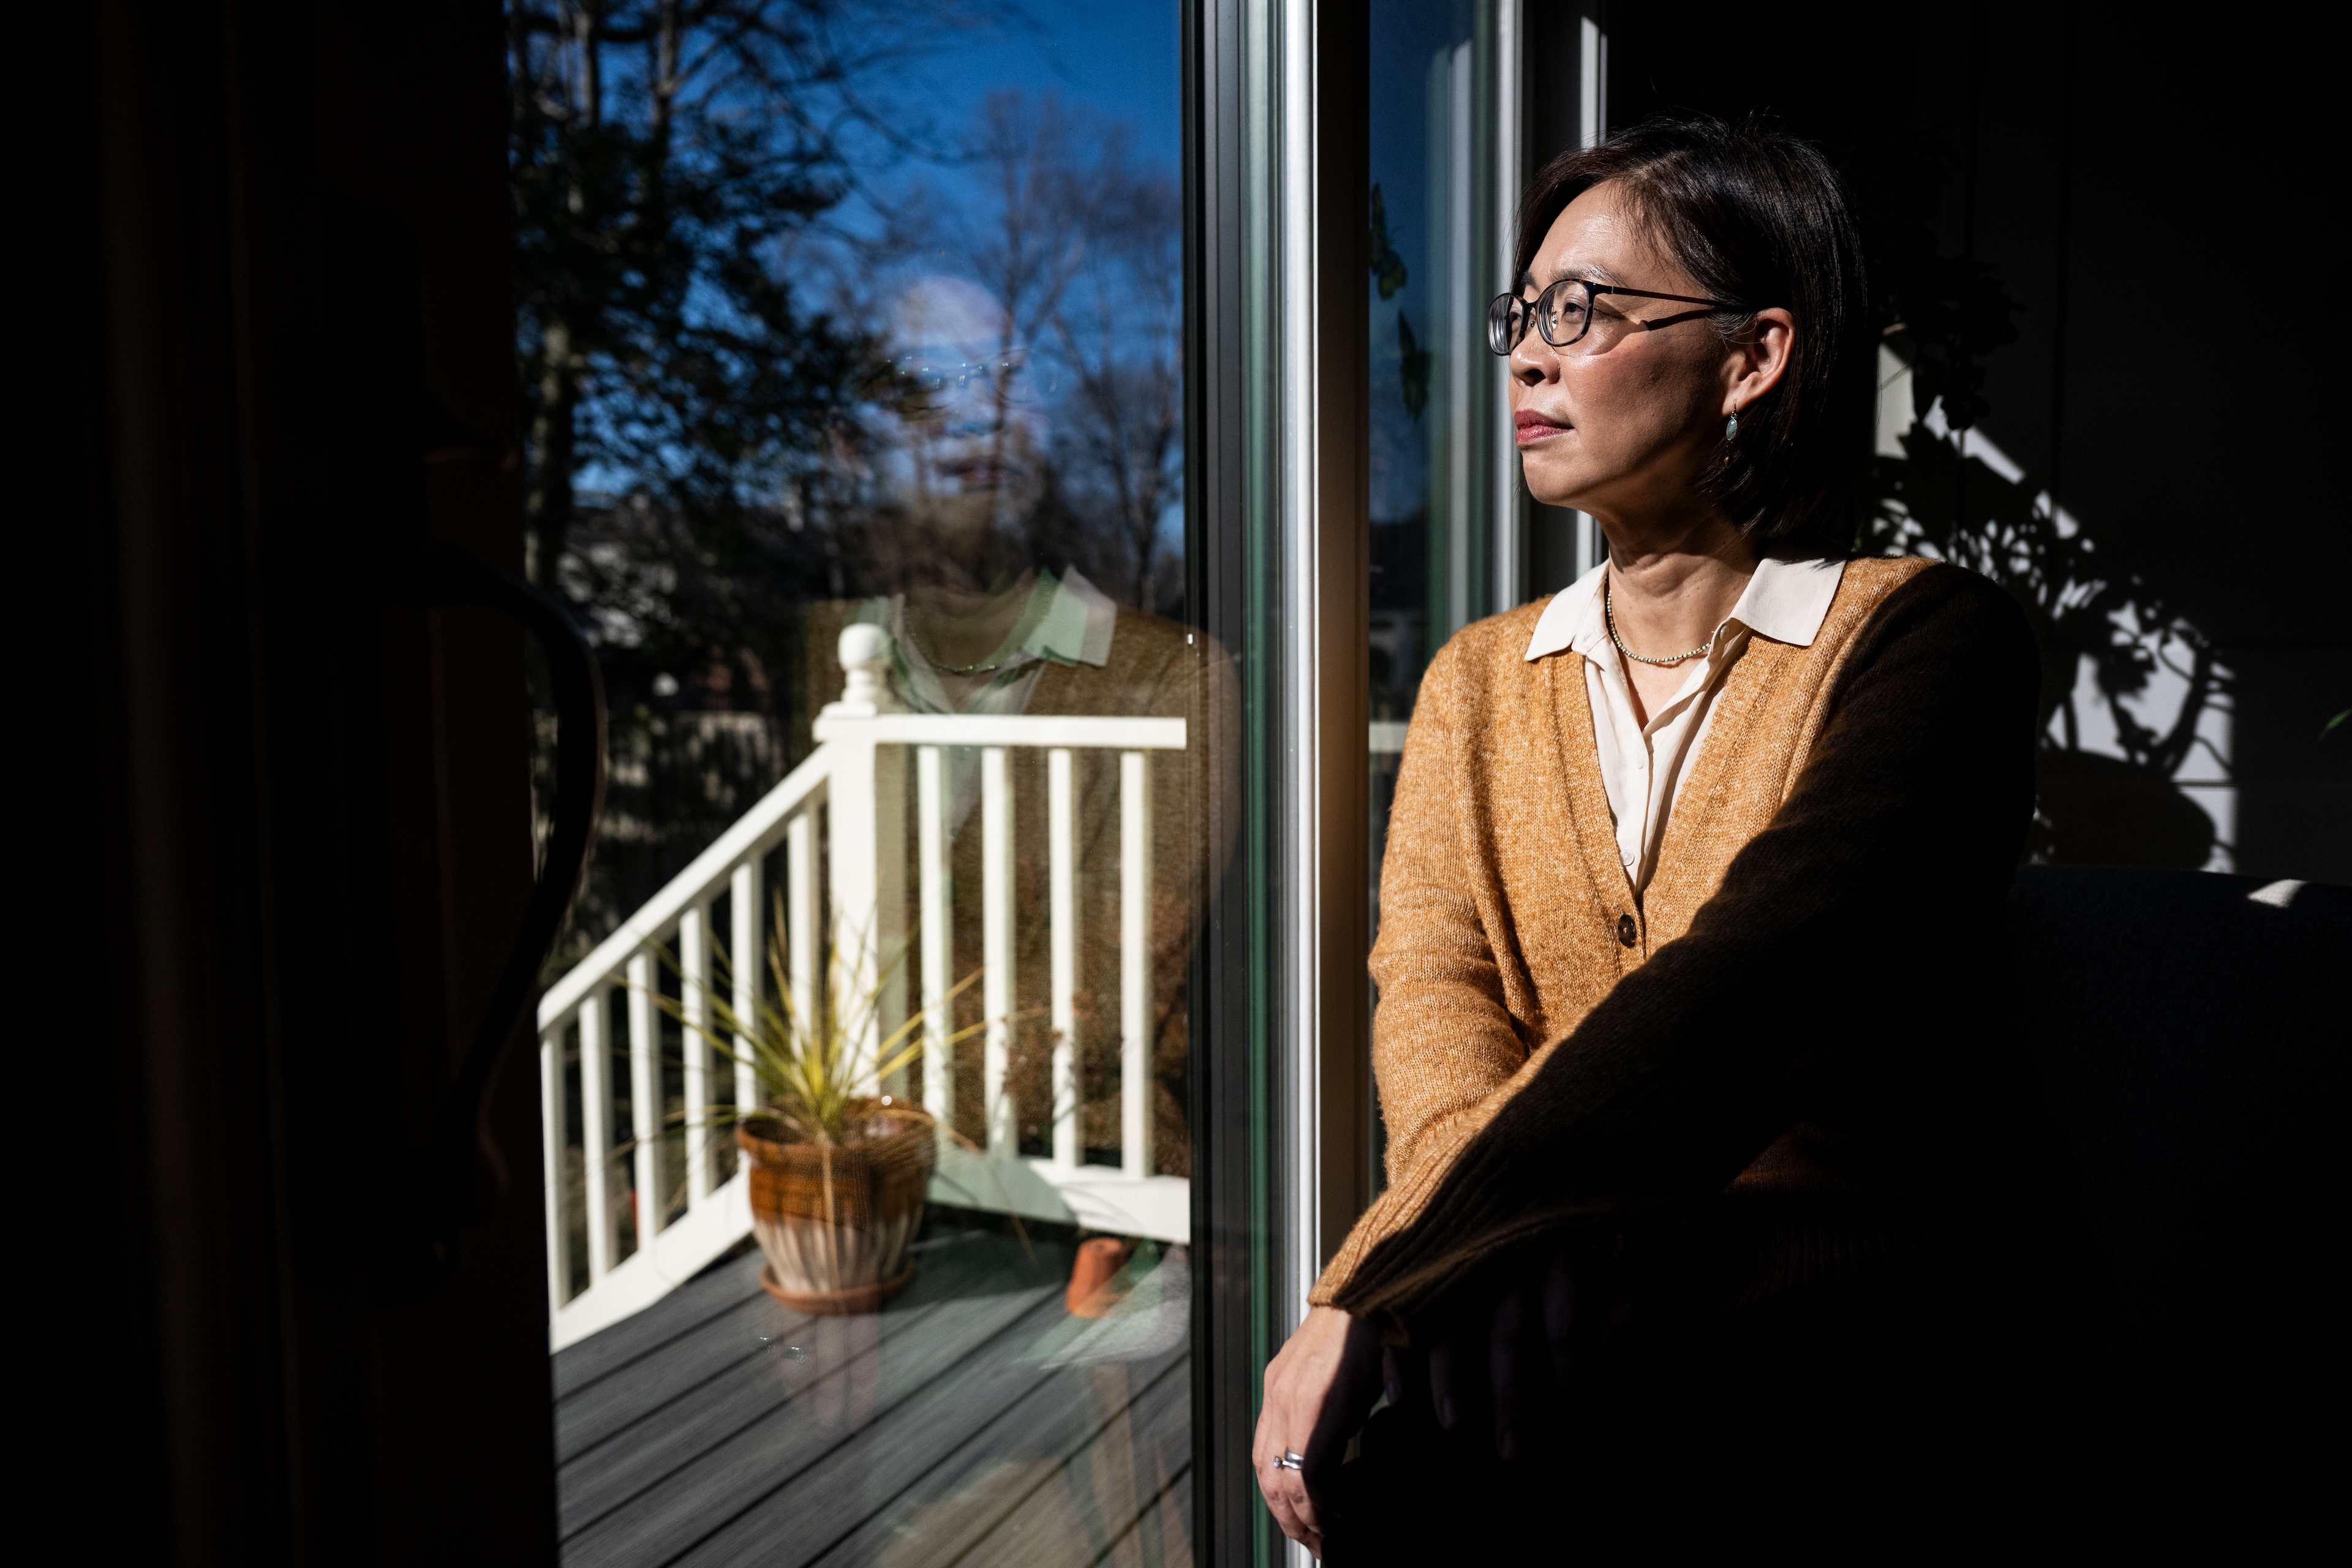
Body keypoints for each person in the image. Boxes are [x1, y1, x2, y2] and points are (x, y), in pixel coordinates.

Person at [1253, 118, 2106, 1558]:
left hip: (1874, 1329)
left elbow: (1765, 982)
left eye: (1579, 311)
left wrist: (1395, 1278)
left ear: (1753, 357)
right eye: (1521, 315)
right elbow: (1439, 1004)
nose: (1524, 355)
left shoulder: (1927, 639)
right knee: (1405, 1469)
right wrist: (1506, 1260)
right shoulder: (1475, 679)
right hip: (1582, 1304)